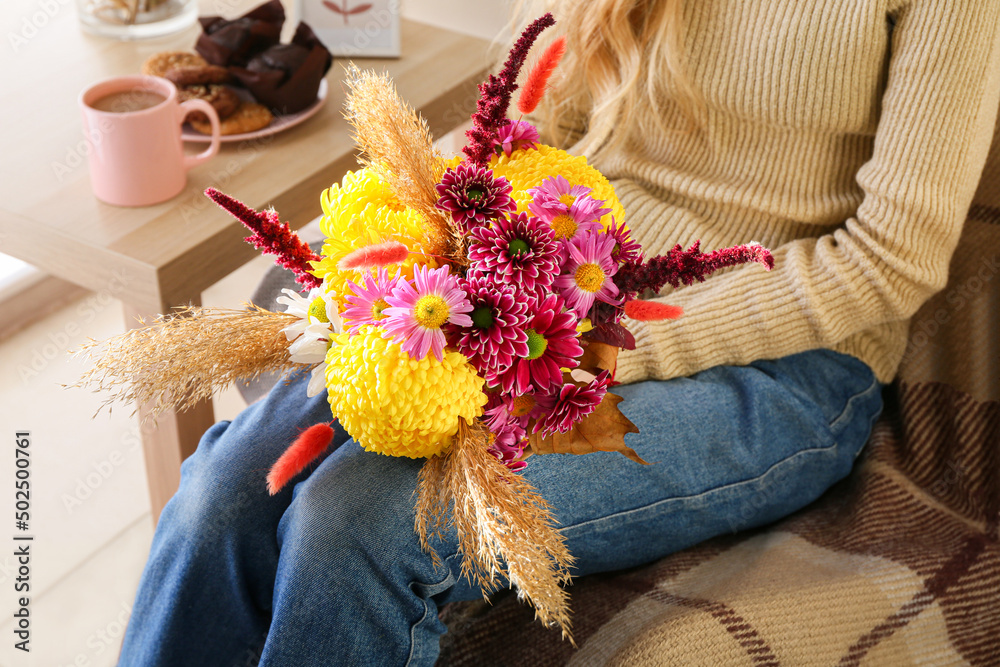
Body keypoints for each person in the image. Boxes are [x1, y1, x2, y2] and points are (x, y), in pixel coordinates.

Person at [117, 0, 1000, 665]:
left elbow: (889, 260)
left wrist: (598, 345)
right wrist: (443, 276)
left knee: (355, 523)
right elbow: (523, 132)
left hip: (783, 365)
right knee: (224, 491)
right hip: (547, 302)